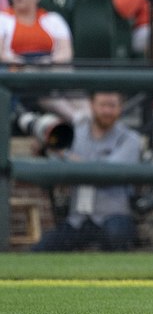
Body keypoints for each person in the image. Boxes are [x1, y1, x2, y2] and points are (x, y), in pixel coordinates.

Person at [32, 91, 142, 252]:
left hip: (113, 216)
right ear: (91, 105)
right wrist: (46, 149)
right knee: (41, 251)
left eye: (112, 106)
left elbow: (106, 172)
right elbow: (55, 163)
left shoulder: (130, 138)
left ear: (121, 108)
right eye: (103, 105)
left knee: (116, 235)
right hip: (78, 219)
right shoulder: (76, 132)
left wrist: (65, 155)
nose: (107, 111)